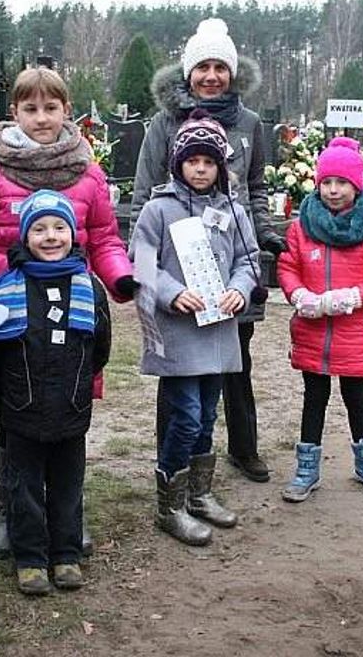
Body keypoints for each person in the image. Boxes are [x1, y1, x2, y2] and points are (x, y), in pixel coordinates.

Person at [0, 65, 135, 559]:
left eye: (51, 108)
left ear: (66, 111)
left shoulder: (87, 171)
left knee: (64, 417)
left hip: (67, 315)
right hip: (10, 318)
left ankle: (64, 520)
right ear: (14, 112)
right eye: (30, 108)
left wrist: (118, 276)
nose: (41, 118)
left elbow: (101, 236)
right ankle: (10, 515)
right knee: (12, 420)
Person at [131, 17, 284, 483]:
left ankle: (242, 447)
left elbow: (255, 187)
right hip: (179, 270)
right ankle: (171, 462)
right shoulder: (164, 123)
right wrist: (154, 274)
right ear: (188, 73)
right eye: (203, 68)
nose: (212, 76)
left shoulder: (250, 125)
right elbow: (143, 196)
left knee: (234, 359)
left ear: (233, 74)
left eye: (221, 67)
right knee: (179, 374)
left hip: (229, 264)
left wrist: (260, 234)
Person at [129, 110, 261, 546]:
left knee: (207, 414)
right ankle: (170, 504)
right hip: (179, 332)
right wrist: (170, 293)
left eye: (209, 161)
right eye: (192, 161)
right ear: (178, 163)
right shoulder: (158, 209)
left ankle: (199, 494)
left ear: (221, 165)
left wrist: (241, 290)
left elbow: (249, 261)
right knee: (184, 416)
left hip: (219, 328)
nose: (201, 169)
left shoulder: (235, 212)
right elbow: (143, 262)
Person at [0, 190, 111, 594]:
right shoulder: (7, 287)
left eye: (59, 228)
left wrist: (80, 383)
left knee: (68, 485)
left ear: (72, 233)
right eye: (39, 229)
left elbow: (99, 345)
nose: (50, 237)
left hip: (70, 408)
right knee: (24, 486)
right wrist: (3, 396)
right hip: (22, 409)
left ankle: (66, 553)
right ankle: (30, 557)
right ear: (24, 236)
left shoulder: (89, 287)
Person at [275, 138, 363, 502]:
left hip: (354, 331)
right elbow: (288, 266)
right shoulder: (303, 227)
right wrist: (298, 294)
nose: (333, 190)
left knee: (355, 397)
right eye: (327, 182)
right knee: (313, 397)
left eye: (341, 183)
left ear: (356, 185)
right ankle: (306, 468)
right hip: (314, 330)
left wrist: (354, 297)